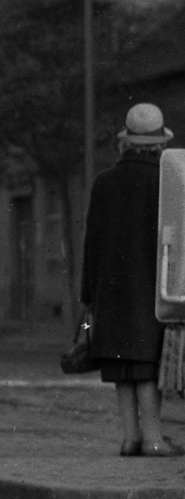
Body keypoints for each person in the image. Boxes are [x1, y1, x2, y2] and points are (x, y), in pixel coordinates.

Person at [81, 103, 178, 456]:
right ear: (159, 144)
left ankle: (130, 436)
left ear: (127, 142)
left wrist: (88, 295)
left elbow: (91, 243)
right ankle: (153, 439)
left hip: (111, 290)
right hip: (156, 289)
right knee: (148, 365)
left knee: (120, 366)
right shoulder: (170, 181)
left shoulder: (104, 182)